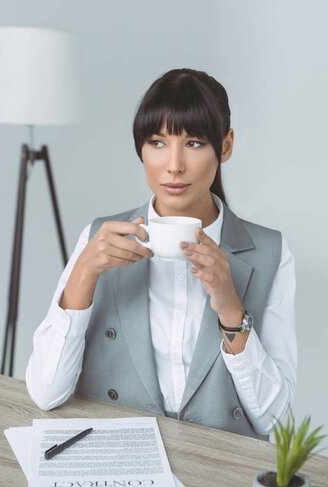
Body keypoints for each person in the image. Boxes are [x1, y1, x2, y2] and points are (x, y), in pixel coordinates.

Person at [26, 68, 297, 441]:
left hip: (220, 472)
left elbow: (278, 425)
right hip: (119, 458)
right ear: (140, 148)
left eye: (194, 143)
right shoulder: (100, 237)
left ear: (226, 145)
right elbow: (45, 393)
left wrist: (231, 308)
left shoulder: (271, 252)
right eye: (157, 142)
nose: (173, 165)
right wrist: (84, 273)